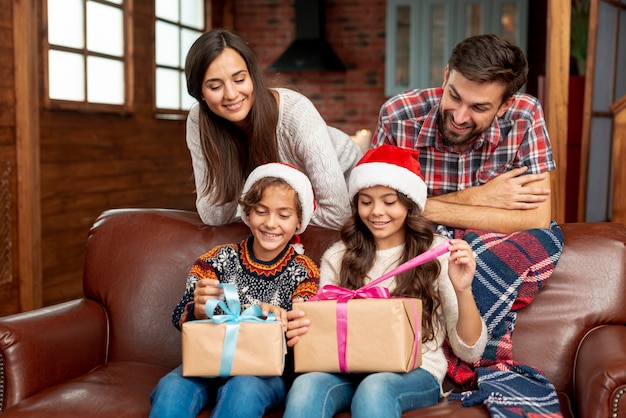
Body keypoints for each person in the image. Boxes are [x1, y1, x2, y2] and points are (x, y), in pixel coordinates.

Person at [283, 145, 488, 418]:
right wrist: (302, 327)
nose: (376, 212)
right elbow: (325, 336)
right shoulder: (338, 256)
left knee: (375, 387)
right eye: (366, 201)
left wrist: (462, 290)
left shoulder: (437, 255)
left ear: (408, 203)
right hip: (348, 368)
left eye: (389, 201)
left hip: (415, 370)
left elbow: (470, 351)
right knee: (306, 385)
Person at [149, 163, 320, 418]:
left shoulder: (303, 270)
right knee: (172, 385)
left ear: (299, 221)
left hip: (266, 371)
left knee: (244, 387)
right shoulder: (217, 259)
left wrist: (282, 320)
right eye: (261, 211)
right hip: (209, 360)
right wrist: (198, 308)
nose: (271, 223)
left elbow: (304, 332)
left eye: (284, 215)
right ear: (248, 213)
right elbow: (179, 317)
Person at [374, 34, 555, 235]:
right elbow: (377, 211)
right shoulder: (398, 117)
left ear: (505, 105)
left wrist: (417, 209)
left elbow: (536, 220)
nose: (459, 118)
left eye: (479, 107)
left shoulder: (525, 116)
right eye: (454, 96)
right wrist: (479, 196)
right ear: (446, 77)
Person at [184, 28, 362, 230]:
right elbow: (213, 216)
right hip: (291, 206)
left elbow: (338, 215)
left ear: (253, 76)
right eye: (215, 87)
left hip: (348, 184)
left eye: (240, 79)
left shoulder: (296, 113)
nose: (232, 94)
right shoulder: (199, 122)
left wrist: (273, 220)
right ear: (199, 93)